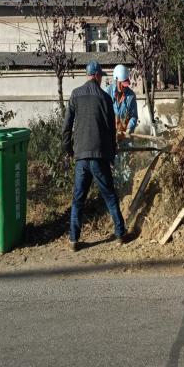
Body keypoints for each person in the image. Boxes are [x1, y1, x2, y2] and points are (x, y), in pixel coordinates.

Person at [62, 61, 126, 251]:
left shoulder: (75, 95)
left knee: (78, 199)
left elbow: (67, 126)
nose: (100, 79)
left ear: (87, 75)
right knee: (110, 197)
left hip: (81, 156)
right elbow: (110, 130)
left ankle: (74, 239)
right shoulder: (105, 98)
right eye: (101, 76)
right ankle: (120, 234)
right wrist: (112, 155)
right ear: (97, 75)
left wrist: (68, 149)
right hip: (99, 156)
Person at [107, 64, 139, 139]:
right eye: (122, 84)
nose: (125, 87)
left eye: (126, 84)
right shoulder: (107, 93)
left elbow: (134, 116)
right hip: (110, 136)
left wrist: (129, 129)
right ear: (116, 81)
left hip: (125, 137)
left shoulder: (131, 96)